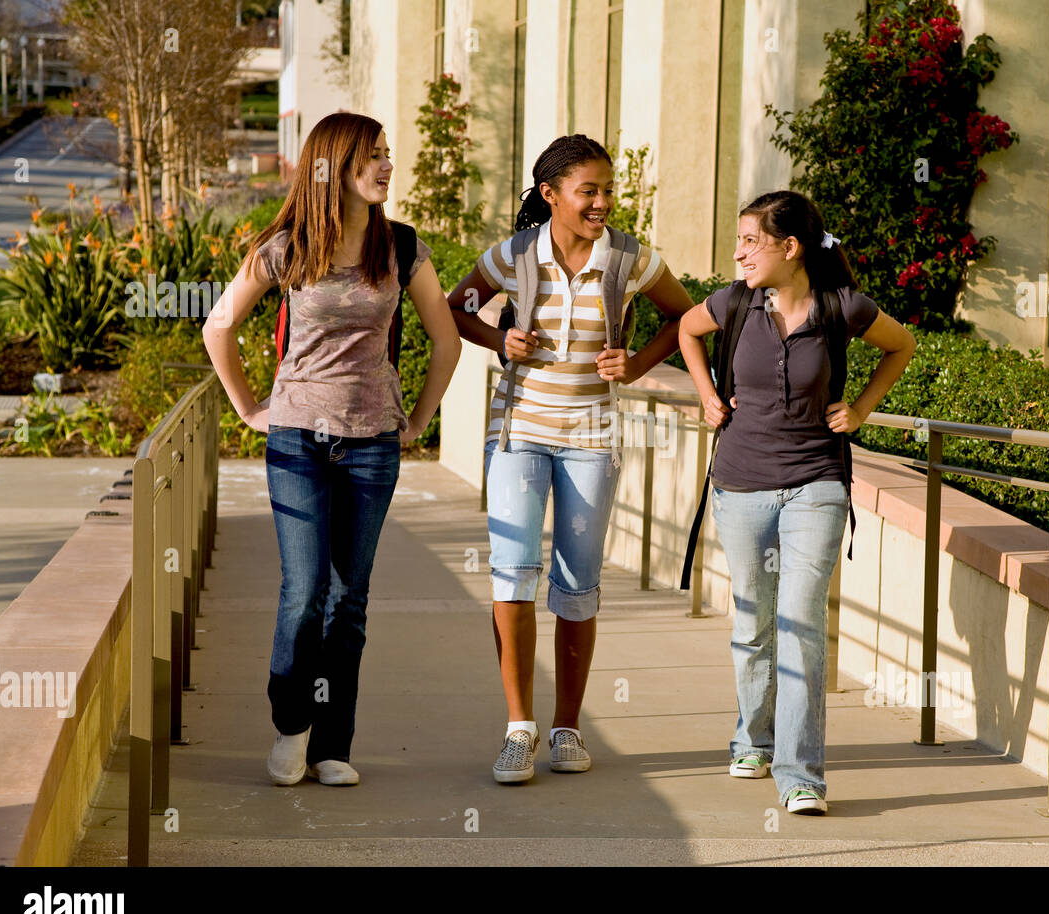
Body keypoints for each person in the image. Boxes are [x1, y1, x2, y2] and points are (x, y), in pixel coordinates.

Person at [202, 111, 461, 786]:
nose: (385, 165)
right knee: (305, 589)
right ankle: (291, 727)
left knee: (351, 597)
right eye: (371, 155)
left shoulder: (402, 246)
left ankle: (332, 743)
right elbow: (218, 326)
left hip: (373, 443)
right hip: (297, 441)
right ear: (333, 167)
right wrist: (249, 407)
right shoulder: (290, 246)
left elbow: (447, 338)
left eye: (387, 152)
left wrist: (419, 416)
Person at [448, 134, 694, 783]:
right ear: (551, 194)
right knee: (512, 575)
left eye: (608, 190)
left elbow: (688, 318)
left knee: (577, 585)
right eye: (590, 191)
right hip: (519, 430)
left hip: (592, 437)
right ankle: (517, 730)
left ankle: (567, 729)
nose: (603, 203)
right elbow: (454, 309)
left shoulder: (631, 259)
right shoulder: (514, 255)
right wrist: (502, 339)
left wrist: (638, 362)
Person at [677, 190, 915, 814]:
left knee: (801, 623)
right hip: (740, 483)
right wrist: (707, 395)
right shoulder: (734, 302)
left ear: (790, 248)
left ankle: (801, 773)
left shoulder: (843, 307)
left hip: (816, 483)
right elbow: (685, 329)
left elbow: (902, 345)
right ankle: (752, 739)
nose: (738, 253)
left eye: (750, 241)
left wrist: (860, 408)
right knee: (754, 622)